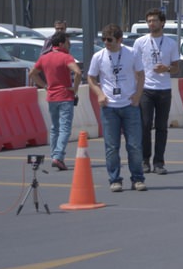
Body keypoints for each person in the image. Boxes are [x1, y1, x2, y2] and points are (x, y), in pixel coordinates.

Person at [87, 24, 147, 192]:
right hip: (109, 107)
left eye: (110, 40)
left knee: (134, 145)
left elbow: (141, 75)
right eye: (104, 39)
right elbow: (91, 78)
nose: (106, 43)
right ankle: (115, 179)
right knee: (112, 146)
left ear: (120, 40)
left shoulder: (132, 53)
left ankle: (137, 179)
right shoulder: (98, 56)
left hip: (129, 105)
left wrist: (138, 95)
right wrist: (99, 93)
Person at [133, 8, 180, 174]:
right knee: (145, 126)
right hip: (146, 89)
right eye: (149, 21)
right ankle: (145, 160)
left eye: (154, 20)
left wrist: (166, 68)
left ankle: (159, 162)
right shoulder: (140, 42)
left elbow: (176, 68)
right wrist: (136, 86)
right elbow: (134, 66)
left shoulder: (171, 43)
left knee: (161, 127)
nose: (151, 24)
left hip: (164, 90)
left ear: (162, 23)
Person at [28, 32, 81, 171]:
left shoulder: (44, 57)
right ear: (62, 44)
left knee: (54, 128)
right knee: (64, 128)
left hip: (52, 97)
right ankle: (58, 156)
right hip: (65, 96)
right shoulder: (66, 57)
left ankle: (54, 155)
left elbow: (32, 73)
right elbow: (78, 72)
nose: (69, 45)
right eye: (68, 43)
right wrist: (74, 89)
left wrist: (44, 85)